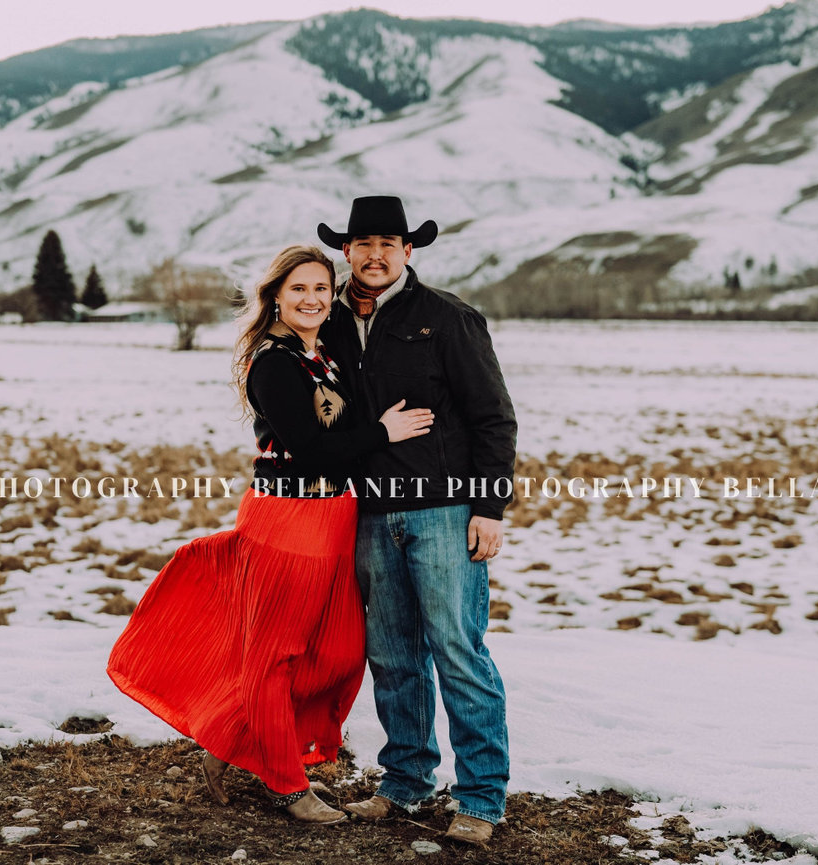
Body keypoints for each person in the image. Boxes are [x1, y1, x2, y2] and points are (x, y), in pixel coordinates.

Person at [107, 244, 434, 825]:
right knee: (276, 654)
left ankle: (233, 735)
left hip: (337, 520)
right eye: (298, 289)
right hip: (286, 520)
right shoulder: (274, 362)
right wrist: (383, 432)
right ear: (276, 297)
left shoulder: (326, 354)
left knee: (337, 651)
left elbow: (344, 435)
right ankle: (287, 785)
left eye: (320, 289)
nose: (312, 299)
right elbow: (309, 451)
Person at [318, 196, 518, 845]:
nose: (375, 255)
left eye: (388, 243)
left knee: (458, 651)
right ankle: (405, 781)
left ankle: (482, 796)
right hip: (371, 513)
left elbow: (494, 417)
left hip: (444, 510)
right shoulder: (332, 326)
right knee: (394, 655)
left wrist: (489, 507)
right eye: (363, 243)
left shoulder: (448, 318)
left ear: (409, 251)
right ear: (346, 250)